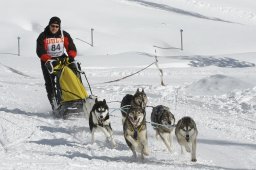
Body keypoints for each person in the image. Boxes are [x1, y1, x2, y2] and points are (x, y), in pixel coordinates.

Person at [36, 16, 77, 109]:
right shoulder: (43, 36)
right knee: (50, 83)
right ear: (49, 25)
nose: (54, 28)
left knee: (70, 76)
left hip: (61, 59)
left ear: (59, 27)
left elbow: (71, 47)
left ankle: (72, 99)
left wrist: (71, 56)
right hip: (48, 61)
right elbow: (40, 51)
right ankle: (54, 104)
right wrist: (48, 59)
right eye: (52, 26)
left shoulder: (63, 34)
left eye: (56, 26)